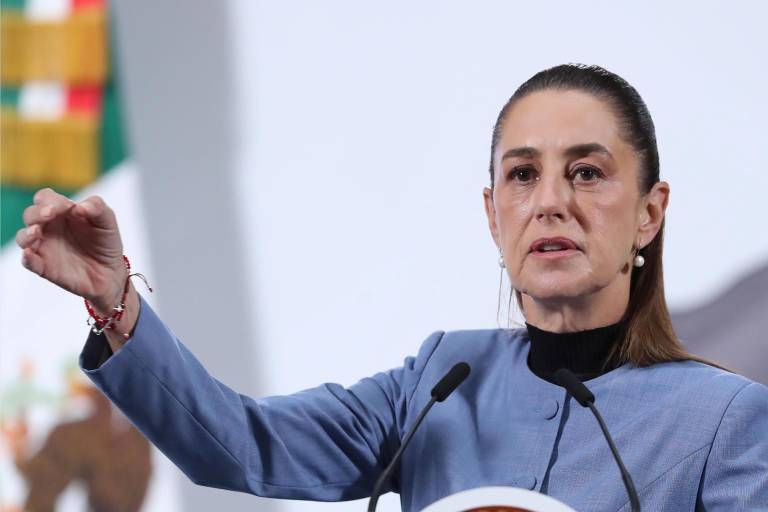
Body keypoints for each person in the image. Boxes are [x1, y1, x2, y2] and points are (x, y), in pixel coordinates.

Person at [15, 64, 768, 511]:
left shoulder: (725, 421)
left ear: (650, 213)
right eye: (522, 174)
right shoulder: (439, 383)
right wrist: (114, 299)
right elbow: (242, 447)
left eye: (587, 172)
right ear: (492, 213)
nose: (550, 202)